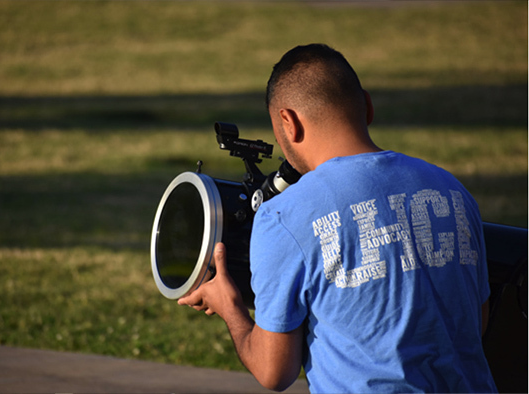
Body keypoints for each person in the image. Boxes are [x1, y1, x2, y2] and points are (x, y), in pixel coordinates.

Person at [178, 44, 497, 393]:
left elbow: (274, 372)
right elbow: (474, 323)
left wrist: (231, 307)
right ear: (368, 106)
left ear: (289, 122)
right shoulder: (452, 190)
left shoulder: (285, 214)